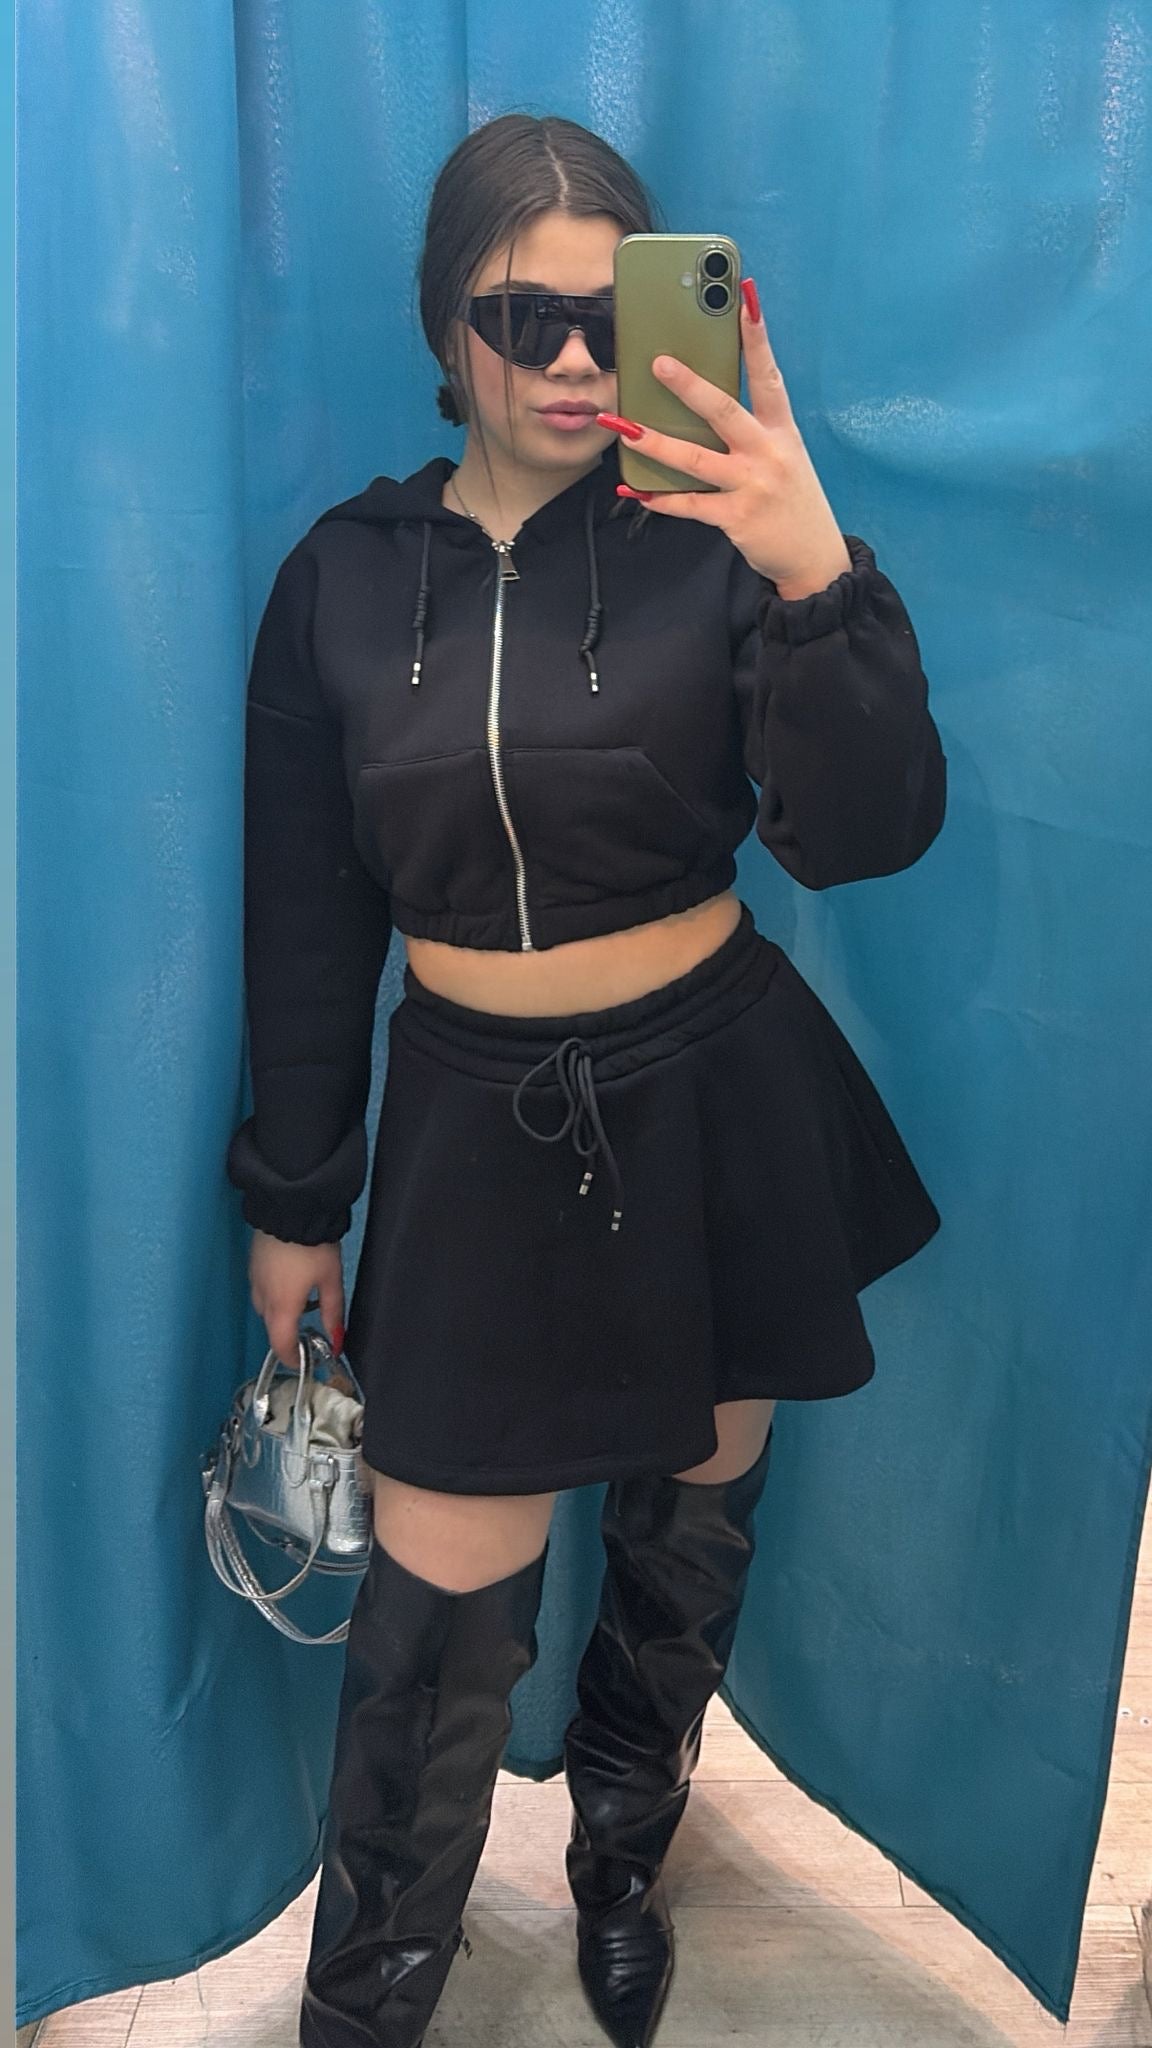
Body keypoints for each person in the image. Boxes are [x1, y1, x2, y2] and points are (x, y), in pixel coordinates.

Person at [225, 111, 947, 2048]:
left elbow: (868, 835)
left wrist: (812, 568)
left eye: (603, 317)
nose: (565, 358)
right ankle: (369, 2001)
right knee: (433, 1622)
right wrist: (297, 1197)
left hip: (717, 1098)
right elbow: (306, 920)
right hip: (472, 1124)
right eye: (516, 316)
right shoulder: (341, 579)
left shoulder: (719, 542)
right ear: (441, 325)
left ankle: (626, 1848)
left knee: (690, 1527)